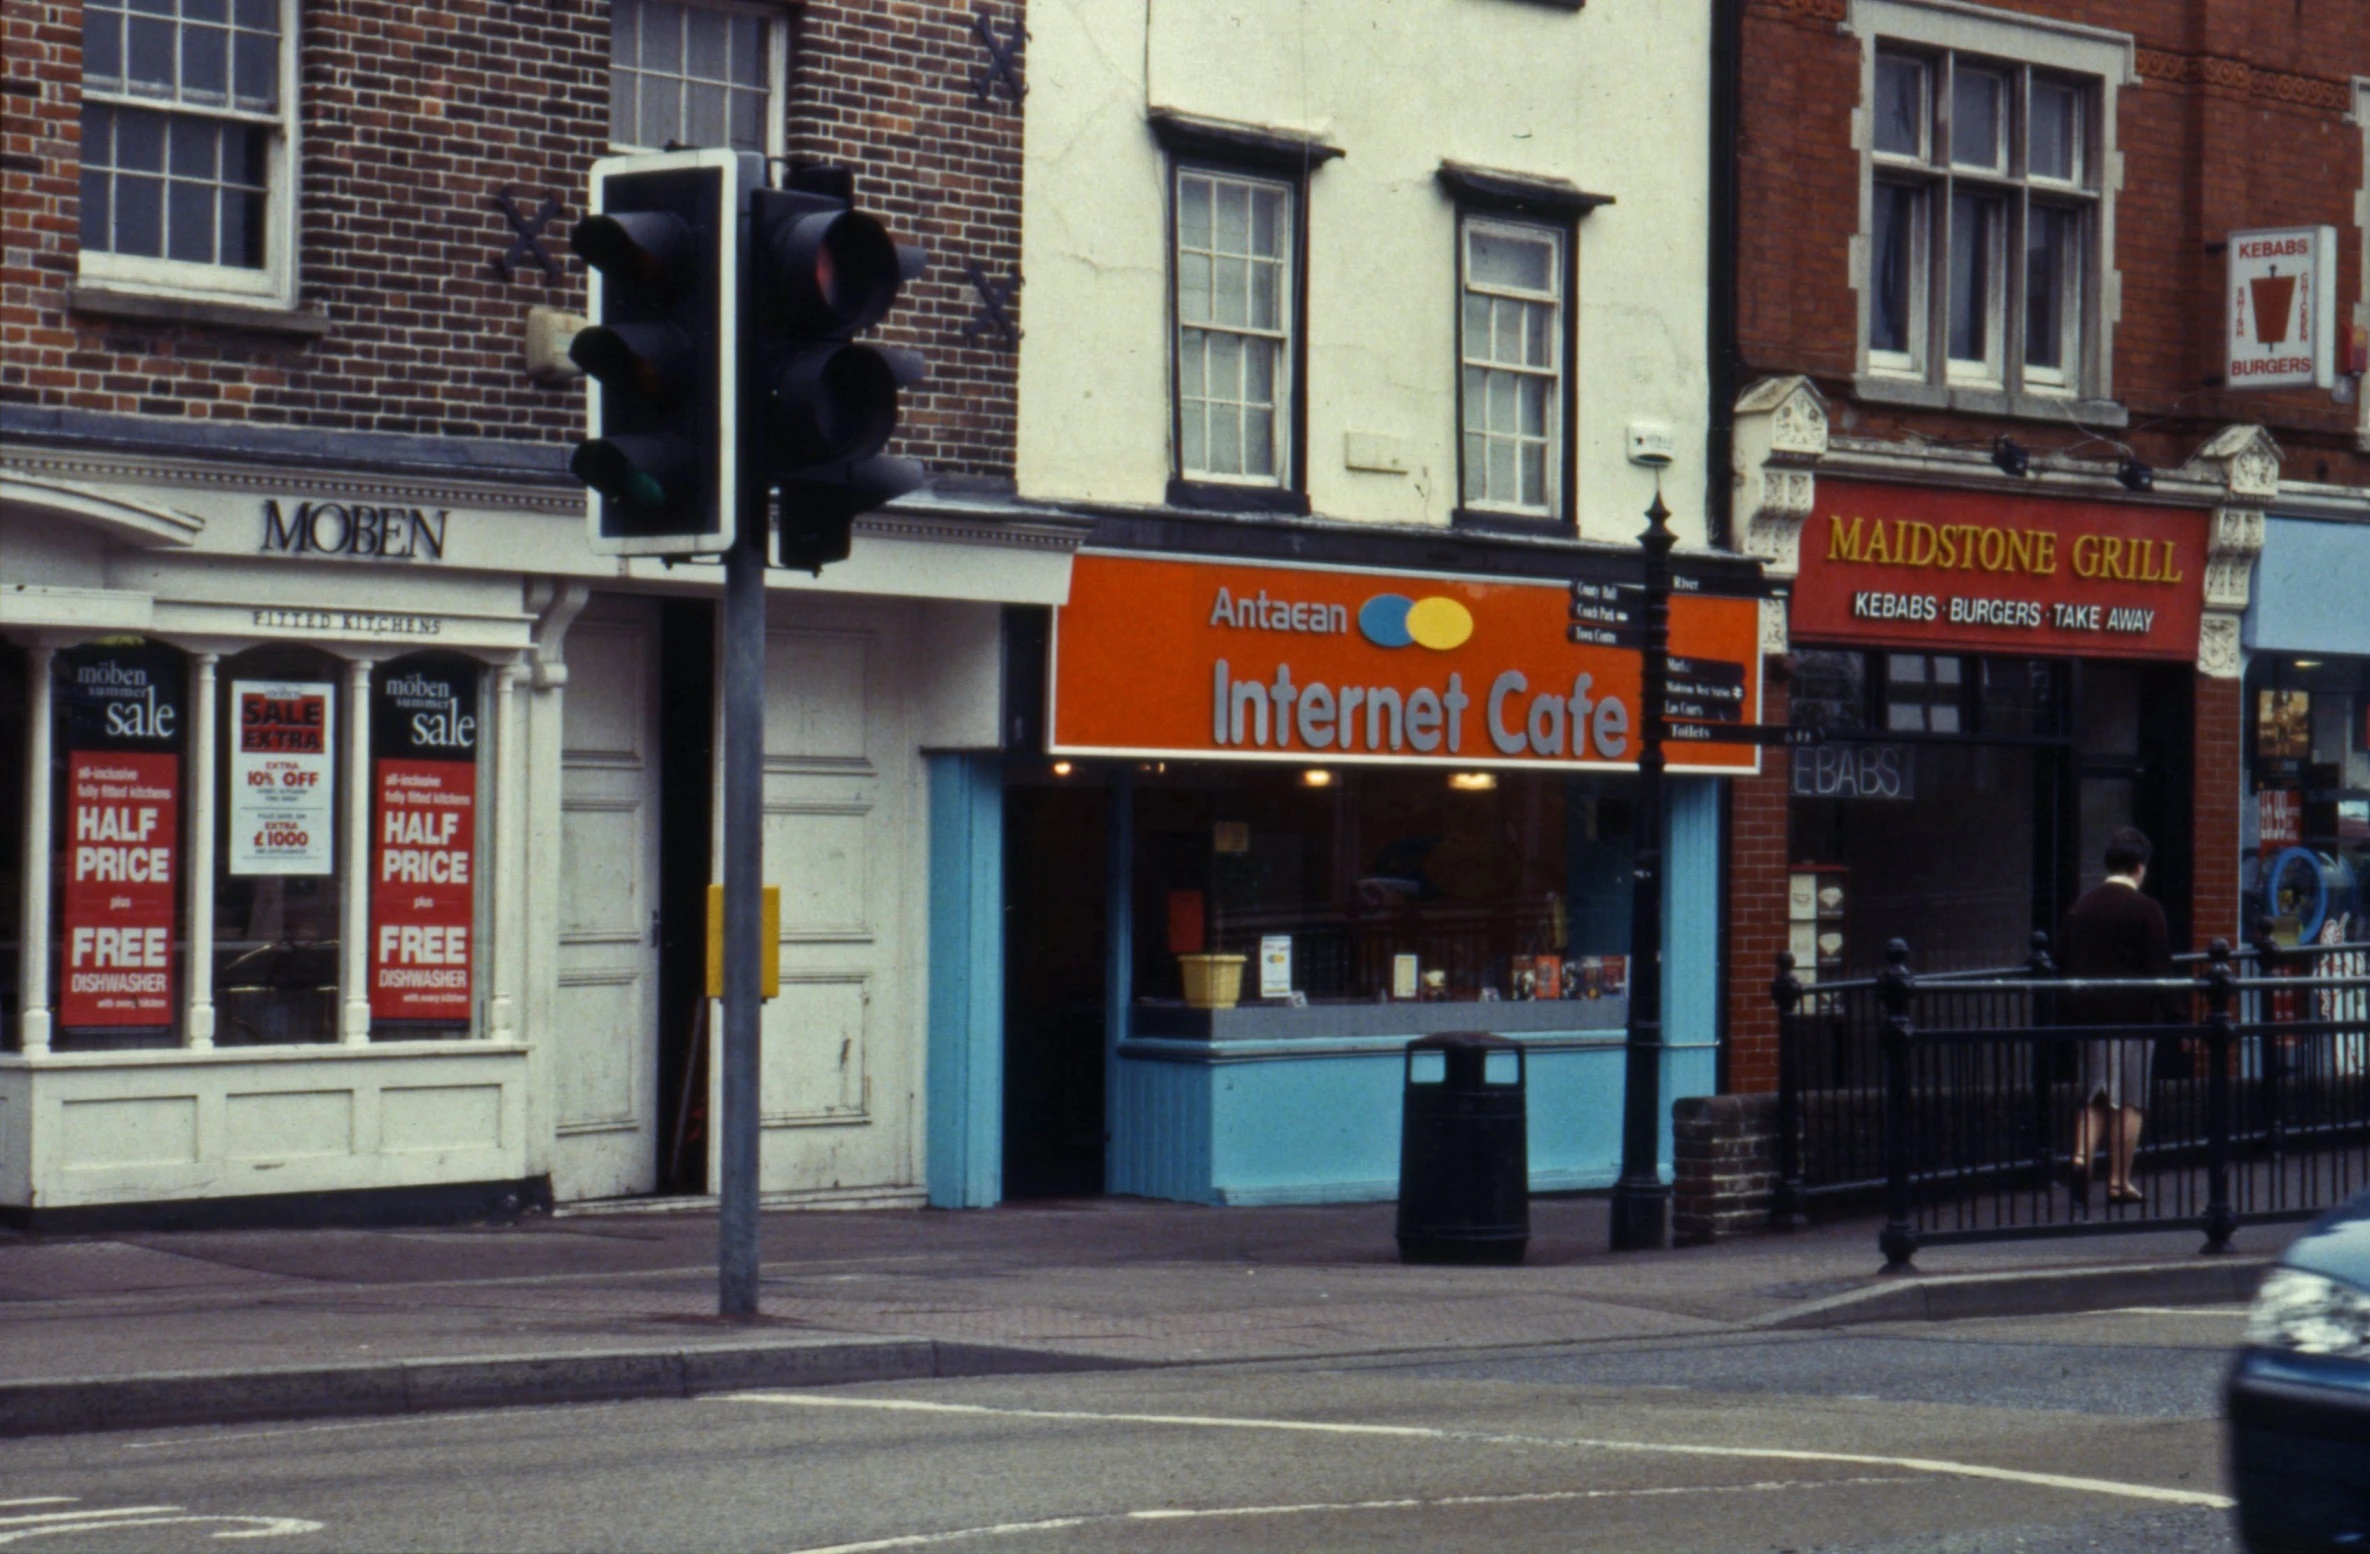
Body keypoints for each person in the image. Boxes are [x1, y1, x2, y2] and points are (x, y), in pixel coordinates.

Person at [2060, 828, 2180, 1206]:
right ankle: (2118, 1182)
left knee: (2096, 1094)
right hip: (2133, 1015)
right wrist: (2181, 1017)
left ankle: (2080, 1158)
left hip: (2090, 1016)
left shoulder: (2083, 906)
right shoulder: (2146, 910)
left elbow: (2065, 957)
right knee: (2129, 1101)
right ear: (2140, 867)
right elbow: (2160, 970)